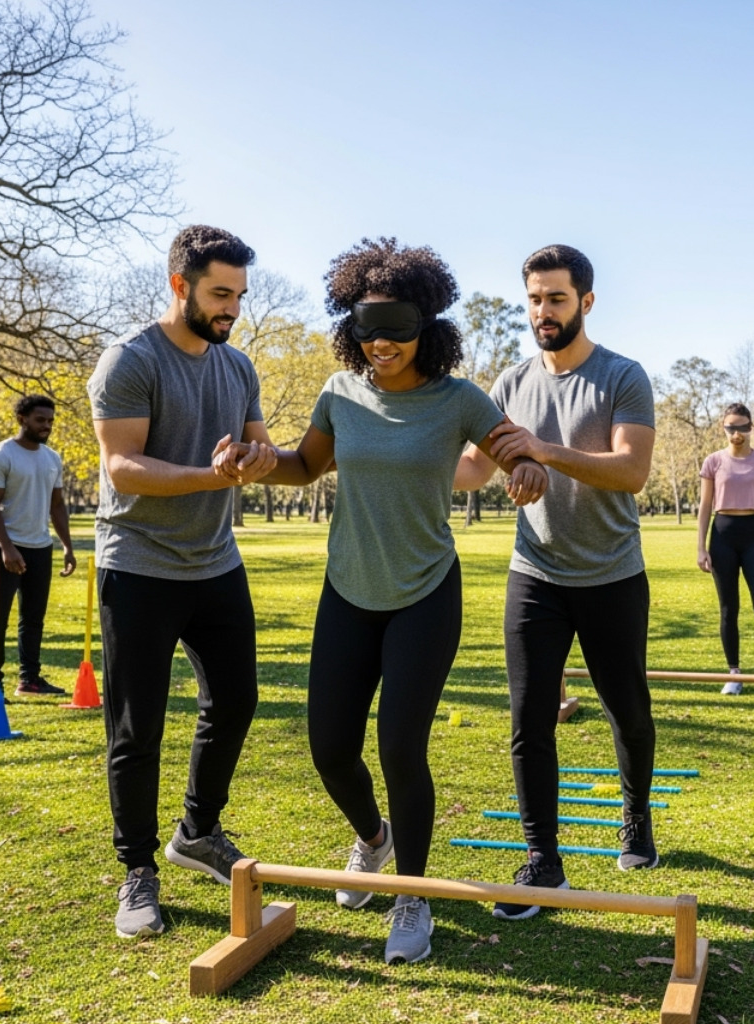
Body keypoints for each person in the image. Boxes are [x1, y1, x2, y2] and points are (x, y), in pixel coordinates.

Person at [214, 238, 545, 965]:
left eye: (396, 327)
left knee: (400, 744)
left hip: (425, 591)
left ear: (427, 324)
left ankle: (412, 894)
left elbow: (509, 447)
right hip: (348, 589)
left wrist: (525, 468)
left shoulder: (457, 398)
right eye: (367, 328)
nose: (382, 343)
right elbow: (305, 465)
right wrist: (262, 462)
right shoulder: (341, 391)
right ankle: (373, 839)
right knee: (330, 746)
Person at [88, 225, 279, 940]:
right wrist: (215, 474)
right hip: (139, 563)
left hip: (215, 561)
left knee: (236, 699)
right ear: (180, 285)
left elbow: (258, 443)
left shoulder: (237, 367)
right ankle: (138, 870)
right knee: (137, 728)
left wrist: (258, 459)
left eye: (239, 295)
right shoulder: (129, 361)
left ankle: (197, 828)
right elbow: (124, 468)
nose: (231, 308)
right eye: (219, 293)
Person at [456, 244, 659, 918]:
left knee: (626, 710)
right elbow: (471, 470)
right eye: (535, 300)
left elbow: (631, 472)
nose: (543, 312)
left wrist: (542, 449)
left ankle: (635, 818)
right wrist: (391, 449)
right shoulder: (510, 384)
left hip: (611, 575)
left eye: (557, 299)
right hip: (534, 572)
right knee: (528, 717)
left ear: (586, 302)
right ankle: (542, 860)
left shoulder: (623, 377)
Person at [0, 394, 78, 698]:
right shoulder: (0, 455)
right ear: (22, 419)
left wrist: (67, 546)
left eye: (50, 420)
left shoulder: (52, 458)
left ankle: (30, 680)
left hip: (40, 546)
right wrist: (7, 548)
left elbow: (57, 505)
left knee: (33, 617)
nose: (47, 426)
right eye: (40, 420)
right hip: (3, 545)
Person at [695, 402, 754, 696]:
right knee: (728, 609)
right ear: (724, 429)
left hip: (753, 535)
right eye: (731, 427)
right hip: (722, 536)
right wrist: (701, 547)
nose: (737, 433)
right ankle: (734, 674)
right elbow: (705, 506)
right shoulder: (713, 461)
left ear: (751, 428)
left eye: (742, 427)